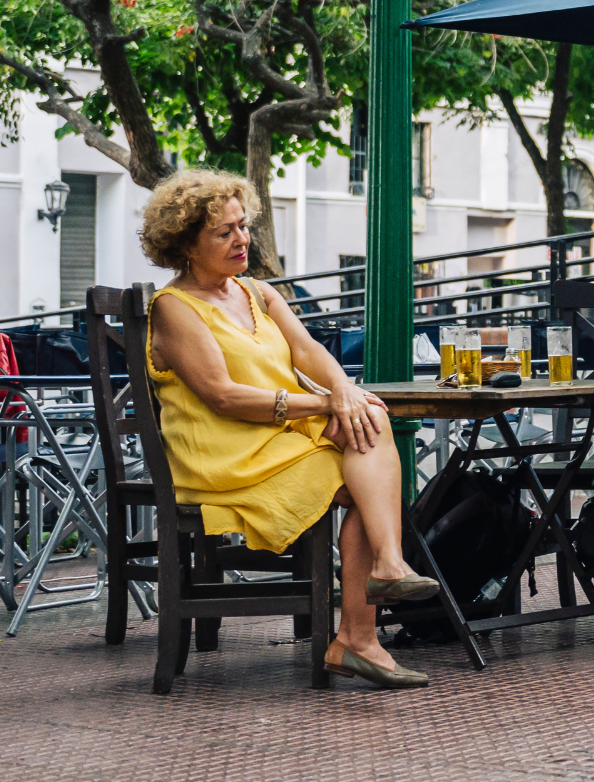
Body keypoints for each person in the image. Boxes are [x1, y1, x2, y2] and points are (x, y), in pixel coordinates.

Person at [141, 169, 437, 690]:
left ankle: (384, 576)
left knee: (367, 418)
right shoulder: (173, 307)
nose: (242, 239)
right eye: (224, 232)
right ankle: (361, 629)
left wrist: (344, 390)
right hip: (223, 456)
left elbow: (308, 351)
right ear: (185, 244)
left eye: (243, 225)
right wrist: (324, 401)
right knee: (365, 475)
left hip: (279, 439)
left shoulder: (256, 292)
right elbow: (223, 396)